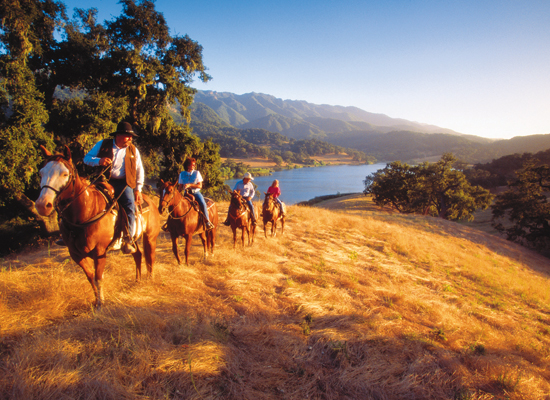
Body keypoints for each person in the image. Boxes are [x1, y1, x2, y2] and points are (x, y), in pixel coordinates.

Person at [83, 121, 145, 254]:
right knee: (83, 199)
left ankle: (128, 239)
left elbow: (139, 170)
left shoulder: (133, 150)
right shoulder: (102, 144)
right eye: (128, 136)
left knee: (129, 205)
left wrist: (138, 189)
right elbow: (86, 158)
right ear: (119, 135)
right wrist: (98, 161)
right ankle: (71, 233)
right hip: (103, 181)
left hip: (123, 183)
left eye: (131, 136)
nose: (130, 139)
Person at [177, 157, 214, 230]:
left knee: (203, 204)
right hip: (186, 194)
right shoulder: (182, 174)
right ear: (188, 165)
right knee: (176, 205)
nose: (194, 166)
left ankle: (207, 222)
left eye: (194, 164)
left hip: (196, 193)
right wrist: (177, 194)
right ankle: (169, 223)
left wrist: (190, 185)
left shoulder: (197, 173)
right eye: (192, 164)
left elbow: (200, 186)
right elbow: (180, 187)